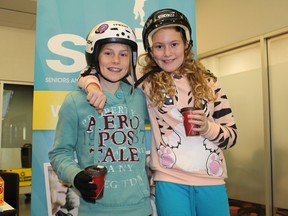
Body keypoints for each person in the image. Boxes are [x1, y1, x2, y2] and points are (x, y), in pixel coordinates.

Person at [78, 9, 238, 216]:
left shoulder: (209, 83)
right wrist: (92, 87)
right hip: (169, 180)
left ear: (186, 46)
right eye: (159, 47)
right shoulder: (145, 77)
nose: (168, 53)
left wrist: (208, 128)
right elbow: (91, 70)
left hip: (212, 179)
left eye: (174, 44)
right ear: (150, 51)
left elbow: (232, 137)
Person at [49, 20, 152, 216]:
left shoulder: (140, 98)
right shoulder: (74, 102)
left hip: (140, 208)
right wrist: (75, 175)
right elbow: (59, 153)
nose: (116, 61)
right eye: (108, 53)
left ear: (132, 59)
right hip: (96, 210)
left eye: (123, 54)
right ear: (95, 56)